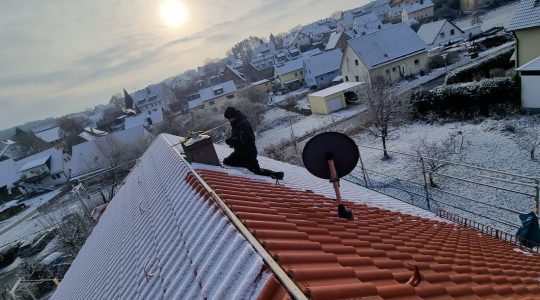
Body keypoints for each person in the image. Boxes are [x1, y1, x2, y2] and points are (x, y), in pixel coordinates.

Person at [223, 107, 284, 180]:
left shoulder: (243, 124)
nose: (229, 120)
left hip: (248, 153)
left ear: (234, 116)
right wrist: (231, 140)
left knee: (257, 171)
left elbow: (244, 140)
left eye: (229, 118)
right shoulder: (235, 123)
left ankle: (277, 175)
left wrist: (231, 141)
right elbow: (237, 136)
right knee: (227, 161)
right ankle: (247, 165)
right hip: (239, 153)